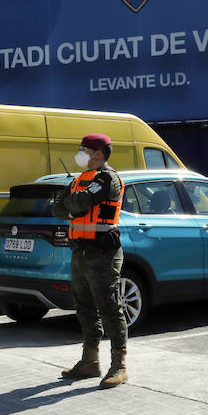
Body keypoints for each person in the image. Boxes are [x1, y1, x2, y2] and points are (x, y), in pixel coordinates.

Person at [52, 132, 129, 388]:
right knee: (84, 306)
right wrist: (70, 202)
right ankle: (90, 361)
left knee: (109, 307)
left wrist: (70, 202)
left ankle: (119, 365)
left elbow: (81, 203)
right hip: (80, 250)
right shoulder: (79, 180)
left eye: (84, 149)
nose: (80, 153)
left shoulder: (108, 179)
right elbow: (58, 209)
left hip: (103, 251)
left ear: (98, 153)